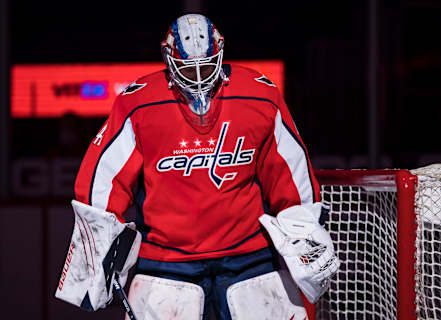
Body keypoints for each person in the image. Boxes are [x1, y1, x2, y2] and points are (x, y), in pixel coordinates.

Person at [55, 13, 339, 320]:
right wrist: (98, 248)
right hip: (166, 262)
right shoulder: (138, 103)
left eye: (205, 65)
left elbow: (290, 172)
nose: (199, 78)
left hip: (250, 256)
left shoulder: (259, 95)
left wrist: (303, 225)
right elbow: (103, 181)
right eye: (189, 68)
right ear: (168, 57)